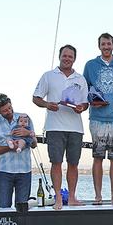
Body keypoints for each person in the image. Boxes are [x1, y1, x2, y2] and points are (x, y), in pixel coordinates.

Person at [33, 44, 88, 210]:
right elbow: (36, 98)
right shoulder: (48, 76)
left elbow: (85, 102)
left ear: (74, 59)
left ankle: (71, 197)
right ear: (59, 56)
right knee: (56, 163)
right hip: (54, 126)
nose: (67, 58)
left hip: (75, 128)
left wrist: (82, 108)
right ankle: (58, 197)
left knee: (73, 163)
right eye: (65, 55)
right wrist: (47, 104)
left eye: (70, 56)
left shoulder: (80, 79)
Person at [83, 33, 113, 205]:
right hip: (97, 118)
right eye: (103, 44)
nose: (106, 47)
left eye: (109, 44)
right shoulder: (90, 65)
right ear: (99, 46)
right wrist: (92, 100)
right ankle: (98, 196)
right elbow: (84, 88)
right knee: (98, 157)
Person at [0, 93, 35, 210]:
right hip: (4, 171)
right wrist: (10, 147)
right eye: (4, 111)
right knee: (4, 209)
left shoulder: (24, 118)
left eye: (9, 107)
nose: (9, 111)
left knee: (22, 210)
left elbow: (34, 145)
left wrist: (28, 134)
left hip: (24, 171)